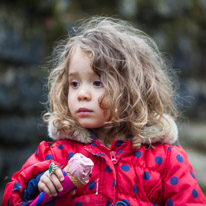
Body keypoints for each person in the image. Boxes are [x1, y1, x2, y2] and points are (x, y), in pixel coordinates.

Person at [2, 16, 206, 206]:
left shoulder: (166, 159)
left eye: (97, 82)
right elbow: (12, 196)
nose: (82, 94)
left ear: (132, 90)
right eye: (74, 83)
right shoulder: (56, 155)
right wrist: (38, 185)